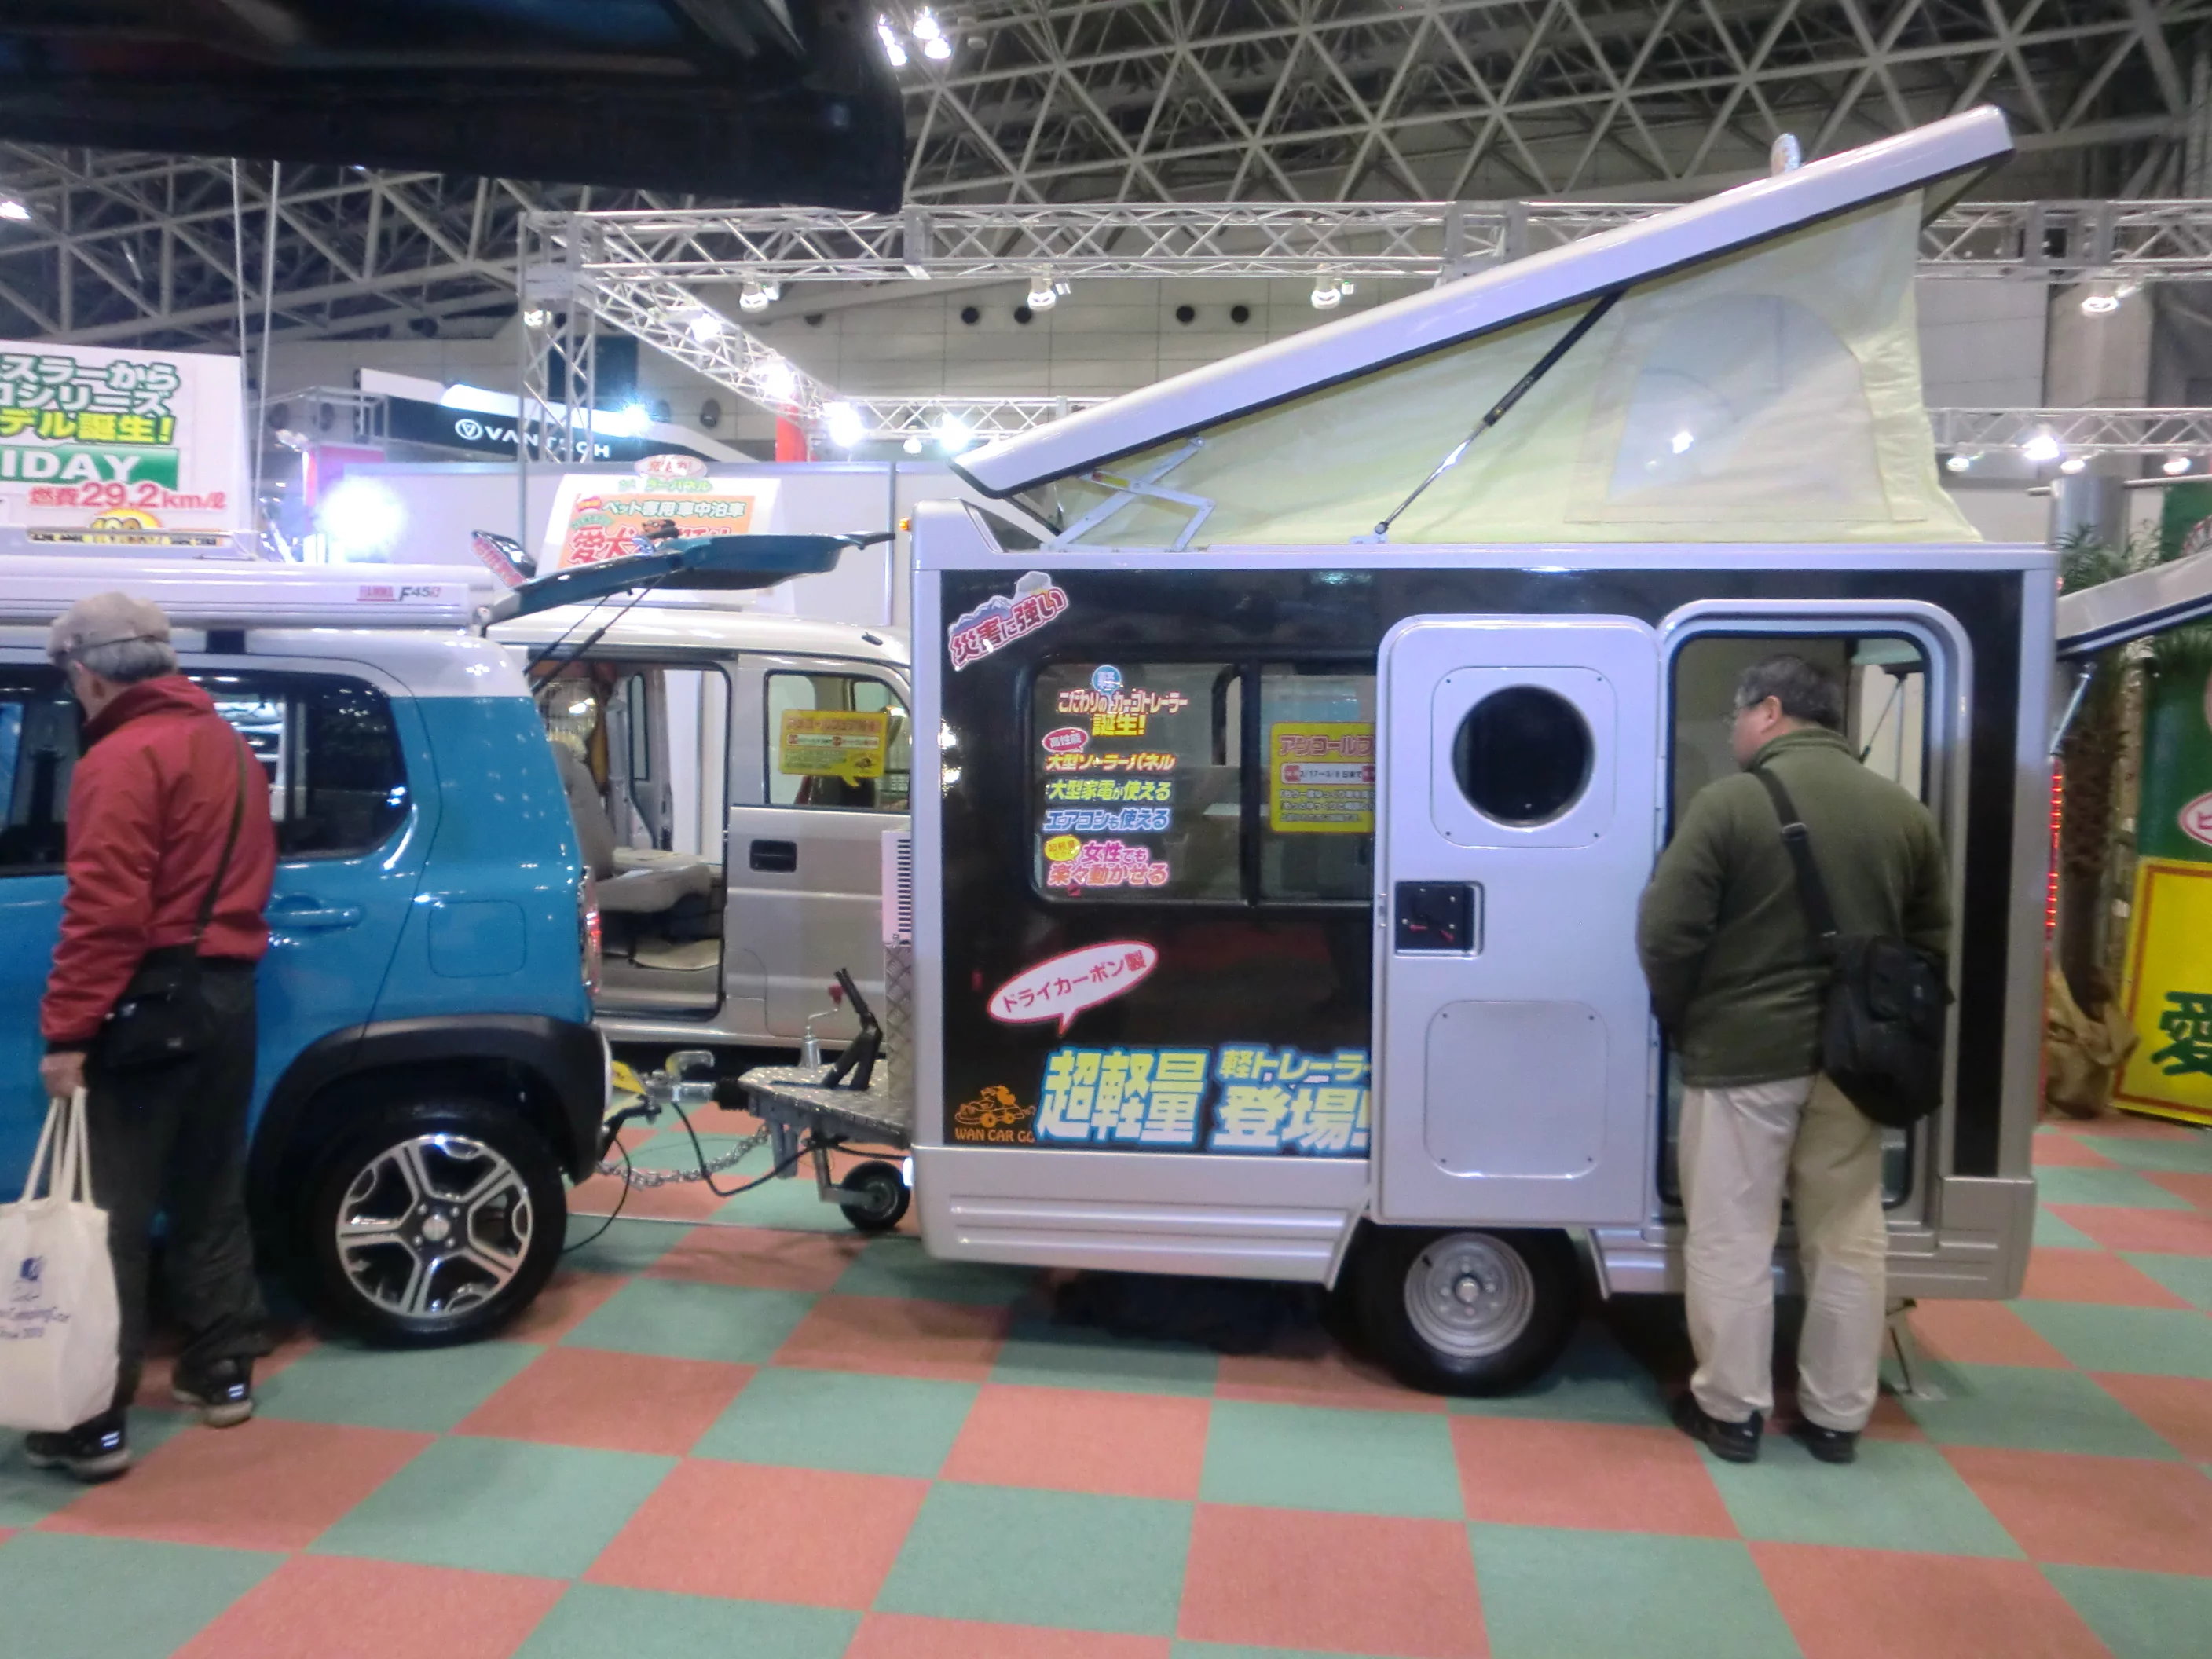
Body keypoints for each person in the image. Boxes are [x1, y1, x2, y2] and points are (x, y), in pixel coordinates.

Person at [1637, 653, 1949, 1466]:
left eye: (1737, 716)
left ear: (1769, 710)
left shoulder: (1729, 806)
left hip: (1743, 1055)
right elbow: (1932, 945)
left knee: (1730, 1235)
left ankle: (1732, 1412)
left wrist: (1685, 1018)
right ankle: (1836, 1417)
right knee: (1845, 1234)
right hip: (1858, 1062)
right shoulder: (1901, 813)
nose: (1733, 733)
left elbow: (1665, 933)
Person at [25, 593, 276, 1482]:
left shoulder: (122, 758)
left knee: (108, 1216)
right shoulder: (230, 746)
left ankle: (91, 1420)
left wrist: (67, 1034)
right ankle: (223, 1373)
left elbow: (105, 914)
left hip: (146, 1001)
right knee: (211, 1187)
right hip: (226, 994)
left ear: (86, 674)